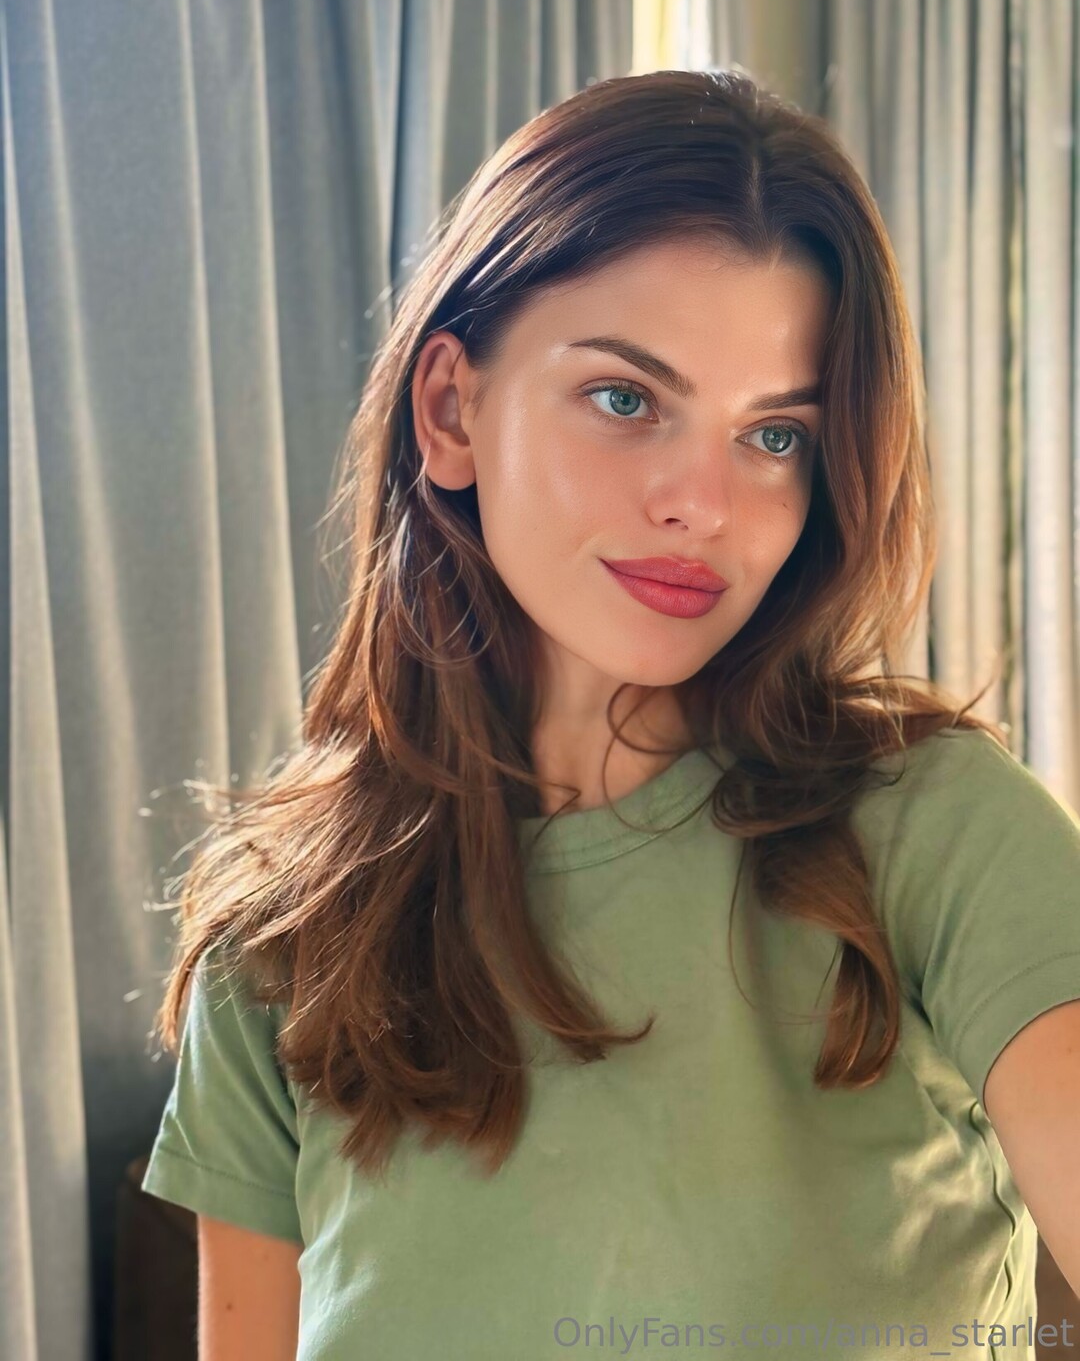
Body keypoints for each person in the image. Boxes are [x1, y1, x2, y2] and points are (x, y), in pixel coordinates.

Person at [141, 68, 1080, 1360]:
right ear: (450, 409)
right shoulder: (283, 931)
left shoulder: (942, 833)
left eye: (776, 436)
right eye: (627, 400)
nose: (704, 503)